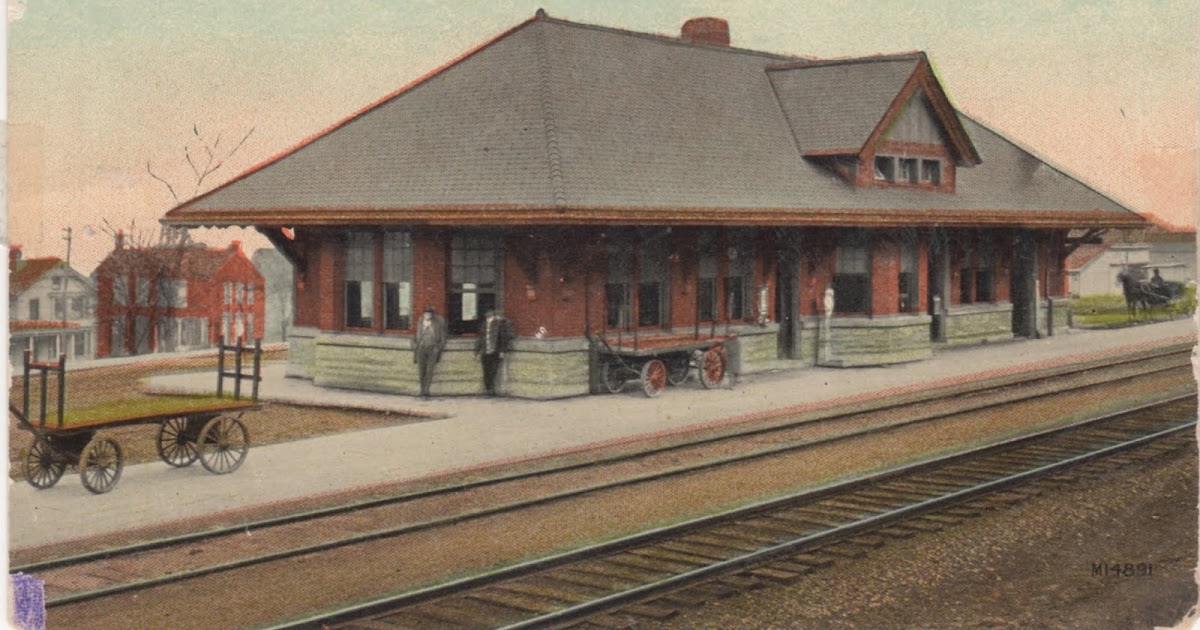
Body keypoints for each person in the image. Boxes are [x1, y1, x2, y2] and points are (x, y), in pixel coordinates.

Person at [474, 309, 516, 396]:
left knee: (492, 371)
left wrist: (502, 351)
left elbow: (503, 339)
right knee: (486, 371)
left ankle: (490, 390)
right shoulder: (484, 325)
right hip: (486, 351)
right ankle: (488, 390)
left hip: (495, 351)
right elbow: (481, 338)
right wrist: (477, 350)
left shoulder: (499, 325)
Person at [413, 305, 447, 398]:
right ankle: (422, 390)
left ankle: (427, 390)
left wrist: (438, 348)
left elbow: (443, 338)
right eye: (426, 314)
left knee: (429, 371)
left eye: (429, 314)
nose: (427, 316)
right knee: (421, 371)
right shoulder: (420, 323)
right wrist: (415, 346)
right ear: (423, 315)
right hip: (421, 349)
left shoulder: (437, 324)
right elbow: (414, 337)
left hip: (432, 349)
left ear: (432, 315)